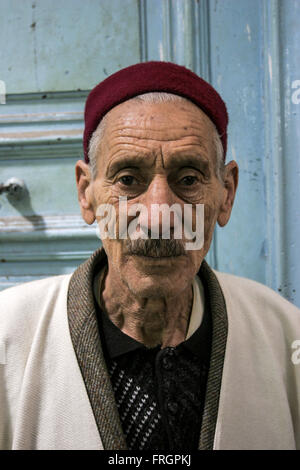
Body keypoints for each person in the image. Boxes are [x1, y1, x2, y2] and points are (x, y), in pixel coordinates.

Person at [0, 61, 299, 451]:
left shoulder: (284, 335)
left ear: (226, 193)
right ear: (86, 192)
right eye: (127, 180)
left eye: (188, 179)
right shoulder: (8, 335)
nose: (159, 216)